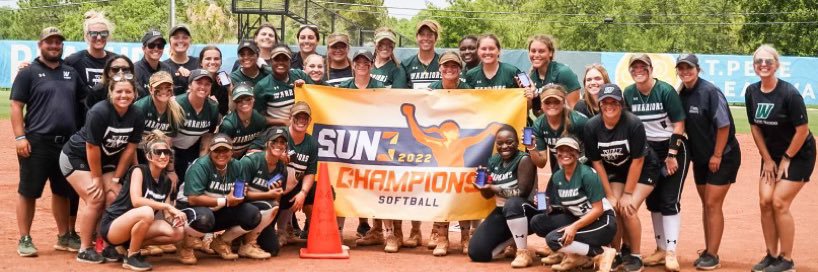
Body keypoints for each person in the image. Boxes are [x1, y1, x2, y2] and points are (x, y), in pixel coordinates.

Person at [12, 27, 85, 257]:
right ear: (40, 44)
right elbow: (16, 105)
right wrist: (20, 137)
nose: (54, 46)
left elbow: (86, 99)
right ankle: (25, 238)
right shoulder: (29, 72)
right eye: (49, 42)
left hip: (66, 144)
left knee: (62, 191)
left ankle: (64, 236)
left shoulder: (70, 72)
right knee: (28, 191)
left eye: (58, 42)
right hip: (37, 141)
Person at [60, 72, 144, 263]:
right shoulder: (100, 112)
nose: (124, 96)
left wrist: (116, 179)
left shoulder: (137, 114)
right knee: (96, 198)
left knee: (114, 196)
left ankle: (106, 244)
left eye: (128, 92)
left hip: (106, 160)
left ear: (135, 95)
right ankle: (84, 249)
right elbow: (91, 147)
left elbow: (130, 149)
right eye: (119, 91)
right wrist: (97, 178)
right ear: (110, 93)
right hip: (76, 157)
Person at [746, 44, 815, 272]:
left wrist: (786, 158)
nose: (763, 65)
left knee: (778, 202)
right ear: (754, 66)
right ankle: (772, 255)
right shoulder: (751, 92)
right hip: (772, 155)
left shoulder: (789, 93)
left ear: (776, 65)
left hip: (798, 153)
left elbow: (802, 130)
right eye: (759, 62)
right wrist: (767, 158)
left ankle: (787, 261)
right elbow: (755, 127)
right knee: (765, 201)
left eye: (768, 61)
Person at [582, 83, 661, 272]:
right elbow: (597, 163)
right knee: (614, 207)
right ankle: (616, 253)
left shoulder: (633, 123)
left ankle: (635, 256)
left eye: (614, 102)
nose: (609, 105)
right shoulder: (592, 126)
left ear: (621, 103)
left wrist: (628, 193)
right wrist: (609, 194)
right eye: (605, 102)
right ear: (600, 104)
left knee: (628, 208)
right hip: (615, 170)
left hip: (644, 168)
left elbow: (638, 160)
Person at [623, 54, 690, 272]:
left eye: (643, 66)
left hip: (672, 147)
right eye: (635, 67)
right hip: (647, 151)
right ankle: (660, 249)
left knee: (669, 200)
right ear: (630, 71)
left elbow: (679, 124)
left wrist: (671, 154)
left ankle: (671, 251)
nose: (639, 70)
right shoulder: (629, 93)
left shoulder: (665, 91)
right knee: (653, 202)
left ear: (651, 69)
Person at [676, 53, 741, 270]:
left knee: (713, 203)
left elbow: (723, 126)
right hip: (701, 157)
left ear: (698, 69)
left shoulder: (709, 92)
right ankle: (708, 250)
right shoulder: (682, 93)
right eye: (681, 68)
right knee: (706, 204)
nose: (685, 72)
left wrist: (718, 155)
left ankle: (712, 255)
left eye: (689, 68)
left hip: (724, 155)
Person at [407, 51, 472, 256]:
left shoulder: (468, 90)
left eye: (454, 66)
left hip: (462, 154)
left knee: (462, 196)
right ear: (440, 68)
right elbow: (421, 128)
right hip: (440, 157)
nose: (449, 69)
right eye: (445, 66)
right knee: (442, 195)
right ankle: (442, 238)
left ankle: (465, 237)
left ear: (460, 70)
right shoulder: (432, 90)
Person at [99, 130, 186, 271]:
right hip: (113, 226)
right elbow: (136, 201)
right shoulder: (139, 170)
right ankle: (132, 256)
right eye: (158, 152)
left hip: (136, 226)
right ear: (149, 156)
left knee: (178, 232)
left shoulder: (167, 182)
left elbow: (167, 214)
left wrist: (176, 219)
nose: (163, 156)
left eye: (166, 152)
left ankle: (127, 247)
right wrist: (167, 206)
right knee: (146, 212)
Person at [529, 137, 617, 272]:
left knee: (553, 239)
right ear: (556, 153)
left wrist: (573, 227)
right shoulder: (558, 176)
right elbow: (567, 207)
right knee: (538, 222)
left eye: (570, 150)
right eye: (561, 150)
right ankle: (576, 255)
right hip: (580, 218)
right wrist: (549, 206)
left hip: (603, 222)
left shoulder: (587, 174)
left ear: (577, 154)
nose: (565, 154)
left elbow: (598, 210)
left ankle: (601, 253)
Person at [174, 134, 262, 264]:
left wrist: (240, 195)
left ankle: (221, 242)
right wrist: (226, 200)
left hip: (217, 209)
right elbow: (193, 199)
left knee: (252, 215)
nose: (221, 154)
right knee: (204, 218)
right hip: (188, 209)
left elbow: (238, 196)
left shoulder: (237, 166)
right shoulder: (200, 166)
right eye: (217, 150)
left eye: (225, 150)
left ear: (231, 152)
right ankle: (185, 246)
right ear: (210, 151)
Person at [467, 125, 538, 268]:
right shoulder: (494, 161)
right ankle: (511, 238)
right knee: (477, 253)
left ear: (517, 143)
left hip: (527, 211)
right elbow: (488, 196)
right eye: (500, 143)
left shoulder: (524, 160)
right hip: (502, 211)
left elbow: (522, 192)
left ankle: (523, 252)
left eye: (509, 142)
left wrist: (493, 187)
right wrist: (482, 187)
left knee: (512, 203)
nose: (504, 146)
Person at [250, 102, 319, 247]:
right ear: (290, 118)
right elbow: (251, 152)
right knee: (268, 245)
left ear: (309, 121)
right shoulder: (278, 133)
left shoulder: (311, 142)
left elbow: (310, 172)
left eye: (305, 118)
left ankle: (308, 233)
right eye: (297, 117)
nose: (301, 120)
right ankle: (248, 234)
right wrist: (274, 155)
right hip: (268, 190)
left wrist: (303, 193)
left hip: (291, 188)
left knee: (321, 192)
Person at [238, 127, 289, 257]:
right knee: (259, 209)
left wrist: (274, 197)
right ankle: (229, 240)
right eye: (274, 141)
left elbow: (276, 200)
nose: (278, 145)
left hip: (261, 213)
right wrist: (267, 195)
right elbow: (238, 195)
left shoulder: (282, 170)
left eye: (282, 142)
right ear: (267, 143)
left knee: (273, 249)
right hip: (238, 208)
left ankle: (249, 237)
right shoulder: (249, 162)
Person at [172, 69, 220, 184]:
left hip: (192, 149)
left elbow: (207, 136)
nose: (203, 87)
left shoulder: (213, 107)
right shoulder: (177, 104)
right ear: (189, 85)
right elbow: (166, 137)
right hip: (172, 149)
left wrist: (201, 163)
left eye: (207, 84)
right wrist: (170, 169)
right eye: (199, 83)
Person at [528, 83, 588, 173]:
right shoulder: (538, 125)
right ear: (541, 104)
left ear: (563, 103)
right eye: (547, 102)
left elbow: (593, 152)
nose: (552, 105)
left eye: (556, 101)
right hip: (562, 167)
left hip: (585, 166)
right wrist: (531, 147)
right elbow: (541, 163)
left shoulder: (579, 121)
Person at [133, 71, 185, 164]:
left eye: (167, 87)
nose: (164, 91)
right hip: (137, 152)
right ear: (150, 89)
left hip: (159, 154)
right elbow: (131, 144)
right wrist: (136, 166)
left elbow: (168, 143)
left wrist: (170, 170)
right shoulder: (140, 107)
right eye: (159, 88)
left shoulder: (176, 110)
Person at [526, 35, 582, 120]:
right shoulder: (532, 76)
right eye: (533, 51)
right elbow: (538, 113)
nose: (536, 55)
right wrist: (534, 98)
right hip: (546, 126)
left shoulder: (563, 72)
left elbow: (575, 110)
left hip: (567, 125)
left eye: (541, 51)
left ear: (550, 53)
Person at [254, 45, 310, 126]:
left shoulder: (299, 75)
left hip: (304, 125)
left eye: (285, 59)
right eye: (276, 59)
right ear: (271, 61)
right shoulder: (262, 86)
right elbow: (256, 117)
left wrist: (305, 88)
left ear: (290, 61)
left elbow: (317, 93)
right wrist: (282, 121)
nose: (280, 62)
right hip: (277, 131)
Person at [64, 10, 117, 92]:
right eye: (94, 33)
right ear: (86, 36)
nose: (99, 37)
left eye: (103, 33)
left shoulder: (116, 61)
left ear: (108, 35)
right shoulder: (73, 61)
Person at [219, 82, 268, 158]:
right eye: (239, 100)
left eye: (248, 99)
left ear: (253, 99)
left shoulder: (259, 119)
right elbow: (221, 151)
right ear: (235, 102)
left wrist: (254, 149)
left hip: (247, 157)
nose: (244, 102)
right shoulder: (228, 125)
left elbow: (260, 141)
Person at [402, 20, 442, 89]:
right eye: (422, 34)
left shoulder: (444, 62)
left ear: (435, 37)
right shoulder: (406, 64)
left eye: (430, 35)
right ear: (417, 37)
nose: (426, 38)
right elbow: (401, 92)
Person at [134, 29, 172, 98]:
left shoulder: (167, 69)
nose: (156, 48)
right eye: (151, 45)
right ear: (143, 48)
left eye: (160, 45)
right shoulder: (135, 70)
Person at [163, 24, 200, 95]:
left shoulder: (199, 63)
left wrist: (191, 74)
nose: (180, 41)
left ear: (190, 41)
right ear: (170, 41)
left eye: (185, 37)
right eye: (176, 37)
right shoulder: (163, 66)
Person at [199, 45, 232, 116]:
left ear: (221, 62)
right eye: (208, 59)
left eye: (216, 59)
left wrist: (230, 89)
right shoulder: (194, 81)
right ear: (201, 62)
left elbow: (229, 111)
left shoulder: (224, 81)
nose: (213, 62)